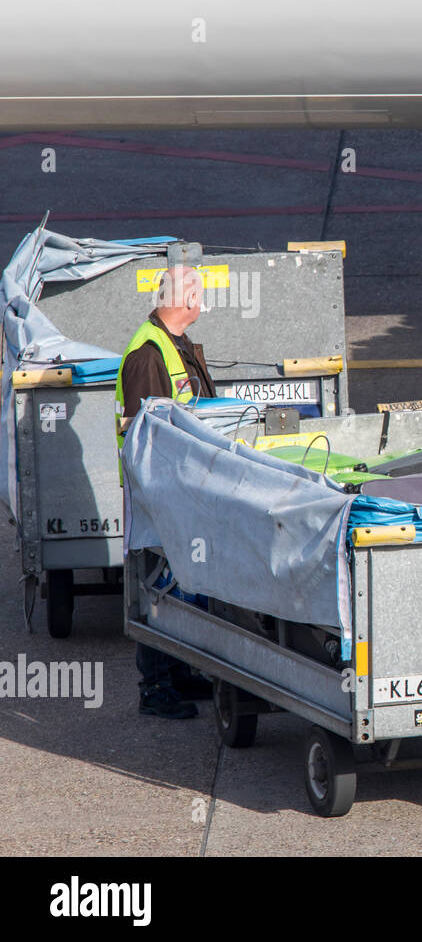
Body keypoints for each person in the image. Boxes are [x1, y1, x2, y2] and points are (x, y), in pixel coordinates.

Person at [115, 264, 217, 719]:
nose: (204, 303)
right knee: (159, 585)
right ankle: (155, 688)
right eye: (200, 294)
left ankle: (178, 673)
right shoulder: (148, 353)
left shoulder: (174, 345)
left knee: (179, 584)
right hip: (158, 493)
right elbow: (146, 436)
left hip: (183, 488)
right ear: (185, 299)